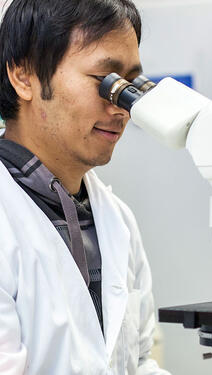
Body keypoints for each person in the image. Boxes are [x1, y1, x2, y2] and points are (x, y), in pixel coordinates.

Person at [0, 0, 171, 373]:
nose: (122, 107)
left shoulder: (116, 220)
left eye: (130, 84)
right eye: (105, 81)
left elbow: (138, 362)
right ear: (24, 76)